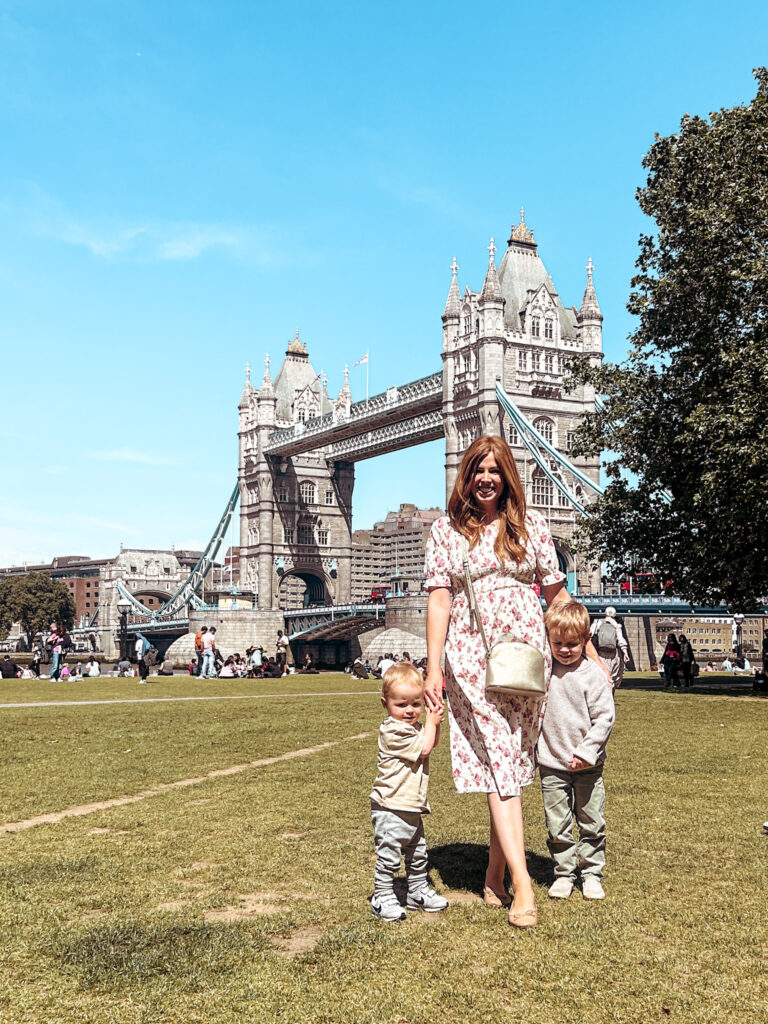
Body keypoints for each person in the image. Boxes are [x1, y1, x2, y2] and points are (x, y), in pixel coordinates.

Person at [423, 435, 609, 929]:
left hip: (529, 660)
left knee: (509, 760)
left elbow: (556, 594)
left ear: (507, 477)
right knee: (503, 760)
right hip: (472, 654)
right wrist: (434, 666)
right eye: (478, 470)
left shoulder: (531, 526)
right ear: (466, 476)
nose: (487, 478)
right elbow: (440, 600)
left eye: (496, 470)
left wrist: (590, 655)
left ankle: (492, 872)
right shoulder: (447, 531)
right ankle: (523, 884)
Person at [537, 602, 615, 901]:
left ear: (585, 641)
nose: (565, 650)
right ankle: (564, 873)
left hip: (588, 766)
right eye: (557, 643)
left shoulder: (594, 676)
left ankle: (591, 873)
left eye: (572, 644)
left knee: (591, 820)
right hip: (551, 763)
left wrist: (588, 751)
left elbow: (604, 719)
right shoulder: (544, 672)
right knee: (557, 824)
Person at [370, 662, 447, 921]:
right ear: (385, 704)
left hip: (410, 805)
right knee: (390, 856)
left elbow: (430, 742)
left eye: (415, 704)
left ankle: (417, 891)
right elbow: (424, 750)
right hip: (391, 805)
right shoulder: (392, 730)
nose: (409, 711)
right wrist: (431, 722)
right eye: (401, 705)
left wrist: (433, 721)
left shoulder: (412, 727)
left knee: (418, 853)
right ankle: (382, 896)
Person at [590, 606, 630, 688]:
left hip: (600, 654)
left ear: (605, 613)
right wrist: (625, 653)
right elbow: (620, 640)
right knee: (613, 679)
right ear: (614, 614)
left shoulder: (597, 622)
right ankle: (610, 697)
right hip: (613, 655)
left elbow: (589, 635)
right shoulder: (617, 625)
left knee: (601, 677)